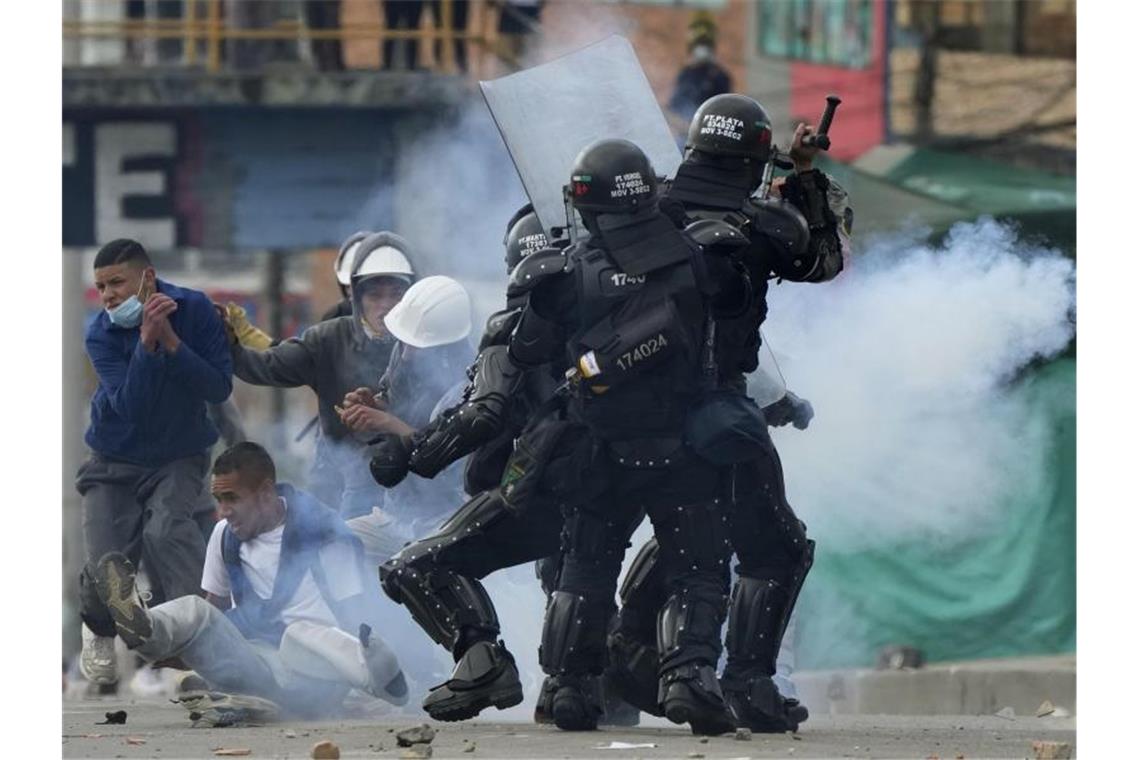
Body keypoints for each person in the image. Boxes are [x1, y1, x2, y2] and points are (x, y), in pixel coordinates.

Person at [606, 93, 852, 734]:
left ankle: (597, 670)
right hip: (715, 409)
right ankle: (743, 682)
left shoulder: (639, 209)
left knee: (616, 546)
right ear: (752, 161)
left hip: (622, 407)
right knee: (775, 548)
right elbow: (823, 260)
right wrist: (800, 176)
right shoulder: (763, 226)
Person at [90, 442, 408, 719]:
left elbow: (356, 617)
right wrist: (187, 648)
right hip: (256, 662)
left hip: (315, 675)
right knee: (194, 611)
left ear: (266, 492)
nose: (223, 511)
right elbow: (211, 619)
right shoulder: (223, 536)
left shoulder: (325, 534)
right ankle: (145, 628)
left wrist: (368, 684)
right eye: (218, 499)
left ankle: (234, 697)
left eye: (232, 498)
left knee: (300, 635)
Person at [77, 238, 233, 688]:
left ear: (147, 278)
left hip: (179, 456)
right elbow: (131, 407)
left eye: (116, 283)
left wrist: (171, 342)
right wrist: (147, 345)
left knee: (168, 528)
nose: (107, 295)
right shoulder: (100, 334)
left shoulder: (196, 309)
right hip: (113, 459)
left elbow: (218, 387)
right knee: (108, 559)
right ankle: (99, 626)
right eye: (101, 286)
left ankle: (194, 634)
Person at [223, 231, 415, 520]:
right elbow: (271, 365)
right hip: (342, 468)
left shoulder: (429, 341)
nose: (386, 304)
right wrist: (231, 347)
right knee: (335, 545)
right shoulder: (330, 337)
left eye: (396, 293)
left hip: (418, 471)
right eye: (375, 294)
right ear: (357, 296)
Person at [337, 274, 476, 561]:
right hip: (394, 516)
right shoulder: (403, 354)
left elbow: (448, 469)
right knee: (332, 544)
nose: (408, 353)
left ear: (447, 348)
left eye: (418, 347)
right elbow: (393, 398)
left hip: (444, 522)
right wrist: (373, 406)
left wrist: (387, 423)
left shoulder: (467, 389)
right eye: (405, 342)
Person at [668, 14, 733, 128]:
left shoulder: (720, 76)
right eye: (699, 44)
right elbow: (675, 107)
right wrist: (681, 124)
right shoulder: (686, 74)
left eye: (706, 45)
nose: (702, 49)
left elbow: (726, 109)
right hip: (686, 131)